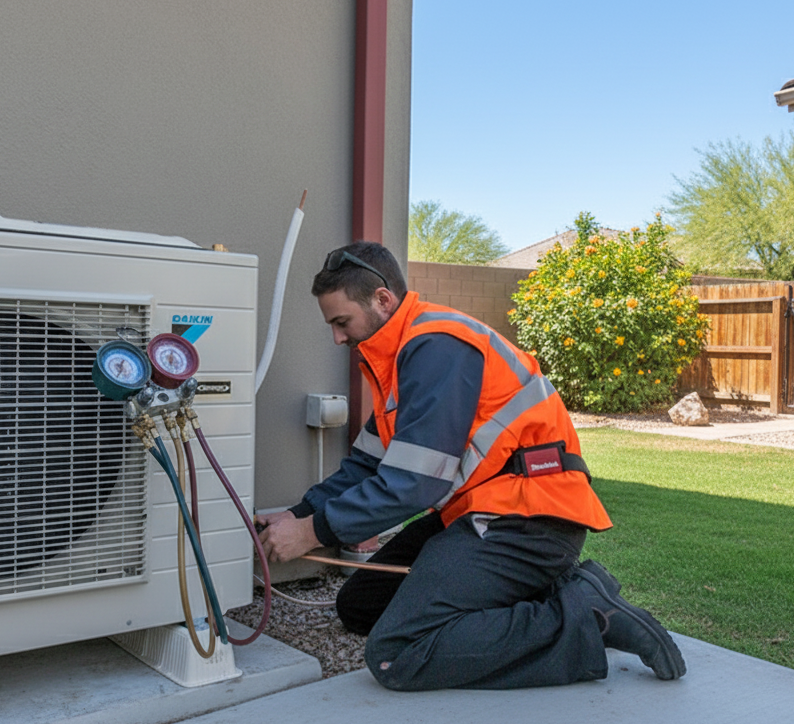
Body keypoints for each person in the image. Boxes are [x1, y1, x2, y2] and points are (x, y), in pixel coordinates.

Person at [255, 241, 685, 691]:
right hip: (482, 514)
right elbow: (365, 467)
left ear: (382, 299)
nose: (338, 338)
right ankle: (552, 589)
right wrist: (298, 514)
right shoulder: (401, 361)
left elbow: (413, 485)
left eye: (341, 322)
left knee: (394, 654)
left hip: (528, 521)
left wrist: (312, 532)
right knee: (360, 606)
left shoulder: (437, 346)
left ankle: (585, 616)